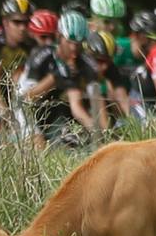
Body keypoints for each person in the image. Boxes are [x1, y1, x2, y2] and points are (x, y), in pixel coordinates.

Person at [17, 10, 107, 144]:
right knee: (38, 144)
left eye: (78, 43)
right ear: (59, 37)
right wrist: (55, 77)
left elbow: (81, 105)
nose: (73, 48)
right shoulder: (41, 55)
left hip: (55, 110)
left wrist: (102, 134)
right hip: (26, 107)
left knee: (75, 143)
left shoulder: (83, 63)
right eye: (69, 42)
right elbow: (28, 98)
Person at [0, 0, 43, 126]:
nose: (22, 27)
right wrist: (7, 115)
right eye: (17, 22)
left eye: (26, 22)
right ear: (5, 22)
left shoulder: (30, 45)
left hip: (9, 87)